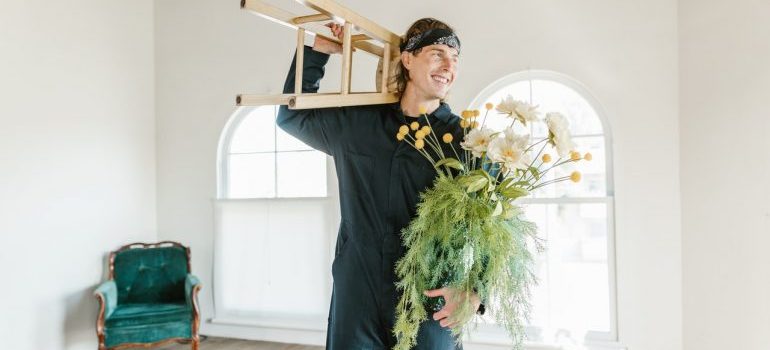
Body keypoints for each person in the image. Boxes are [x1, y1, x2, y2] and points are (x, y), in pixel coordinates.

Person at [276, 18, 483, 349]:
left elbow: (494, 223)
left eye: (454, 58)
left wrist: (475, 290)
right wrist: (318, 53)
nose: (448, 66)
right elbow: (291, 117)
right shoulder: (359, 123)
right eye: (437, 53)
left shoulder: (468, 141)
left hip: (429, 296)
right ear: (407, 59)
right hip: (358, 293)